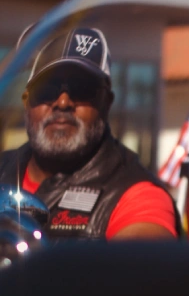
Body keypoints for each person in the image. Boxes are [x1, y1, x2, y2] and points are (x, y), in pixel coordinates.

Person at [0, 26, 179, 240]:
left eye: (81, 88)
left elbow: (142, 255)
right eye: (48, 87)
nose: (63, 102)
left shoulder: (137, 194)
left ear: (107, 102)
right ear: (26, 100)